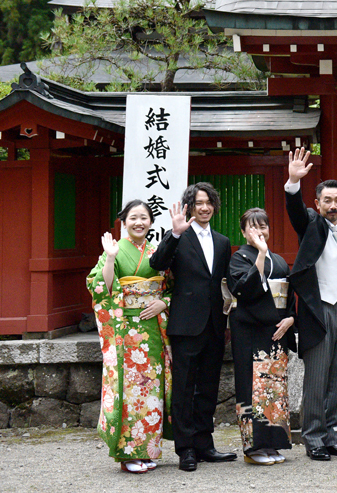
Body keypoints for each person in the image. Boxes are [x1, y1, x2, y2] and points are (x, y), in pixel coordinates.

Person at [149, 182, 235, 472]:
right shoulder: (178, 237)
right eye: (199, 202)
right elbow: (157, 263)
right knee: (184, 389)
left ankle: (204, 444)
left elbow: (224, 283)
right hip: (185, 324)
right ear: (189, 206)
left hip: (214, 324)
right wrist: (174, 233)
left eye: (209, 202)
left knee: (209, 387)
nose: (205, 207)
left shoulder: (223, 242)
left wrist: (227, 319)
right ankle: (185, 449)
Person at [284, 148, 337, 461]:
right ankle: (313, 437)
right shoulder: (311, 225)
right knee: (316, 378)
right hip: (318, 311)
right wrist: (293, 182)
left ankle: (331, 435)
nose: (333, 205)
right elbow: (295, 211)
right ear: (317, 203)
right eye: (327, 200)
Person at [88, 200, 172, 474]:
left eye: (144, 218)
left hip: (153, 332)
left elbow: (172, 285)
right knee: (129, 390)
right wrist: (110, 257)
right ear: (124, 222)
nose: (139, 223)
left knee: (151, 391)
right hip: (125, 331)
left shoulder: (157, 251)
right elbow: (102, 287)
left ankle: (149, 449)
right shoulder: (115, 249)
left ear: (151, 222)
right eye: (133, 218)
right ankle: (128, 453)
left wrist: (165, 302)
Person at [227, 208, 295, 465]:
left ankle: (272, 444)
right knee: (251, 387)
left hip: (277, 330)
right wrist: (261, 254)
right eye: (253, 227)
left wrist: (290, 318)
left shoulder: (278, 260)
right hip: (250, 330)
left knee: (274, 389)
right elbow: (244, 290)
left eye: (263, 226)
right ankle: (253, 449)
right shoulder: (239, 258)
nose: (259, 232)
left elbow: (289, 294)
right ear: (244, 232)